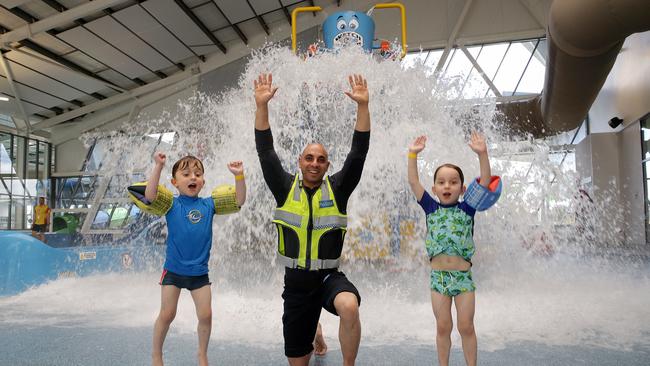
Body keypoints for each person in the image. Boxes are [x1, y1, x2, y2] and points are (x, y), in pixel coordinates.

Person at [254, 73, 370, 366]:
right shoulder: (284, 187)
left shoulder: (339, 188)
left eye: (320, 159)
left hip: (328, 277)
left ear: (327, 165)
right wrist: (261, 106)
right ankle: (315, 330)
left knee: (349, 306)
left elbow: (358, 153)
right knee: (299, 361)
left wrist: (363, 106)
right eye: (309, 158)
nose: (314, 163)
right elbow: (265, 152)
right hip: (296, 284)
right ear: (300, 162)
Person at [127, 153, 246, 366]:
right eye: (186, 174)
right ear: (175, 182)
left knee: (206, 315)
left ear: (203, 181)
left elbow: (239, 200)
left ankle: (202, 354)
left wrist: (239, 177)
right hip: (173, 270)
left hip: (199, 272)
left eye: (198, 174)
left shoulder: (209, 205)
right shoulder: (171, 205)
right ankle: (156, 355)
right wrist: (158, 166)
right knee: (167, 314)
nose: (193, 177)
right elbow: (150, 195)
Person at [407, 132, 501, 366]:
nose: (446, 185)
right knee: (443, 326)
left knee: (466, 326)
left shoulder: (468, 208)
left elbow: (486, 180)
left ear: (462, 188)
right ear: (435, 188)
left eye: (453, 182)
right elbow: (413, 182)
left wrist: (482, 153)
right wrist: (412, 155)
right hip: (438, 278)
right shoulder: (430, 207)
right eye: (441, 182)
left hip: (463, 279)